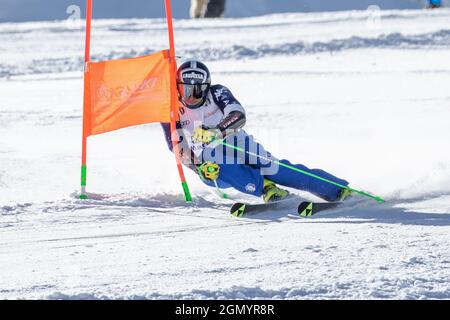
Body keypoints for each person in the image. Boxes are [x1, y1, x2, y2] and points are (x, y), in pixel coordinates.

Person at [161, 60, 351, 203]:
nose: (193, 97)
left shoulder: (217, 92)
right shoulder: (169, 108)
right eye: (187, 91)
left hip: (236, 142)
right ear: (178, 87)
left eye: (198, 91)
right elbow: (176, 145)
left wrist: (216, 131)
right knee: (222, 166)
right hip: (208, 162)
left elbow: (238, 114)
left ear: (207, 87)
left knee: (273, 168)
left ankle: (335, 189)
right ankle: (266, 188)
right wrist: (198, 167)